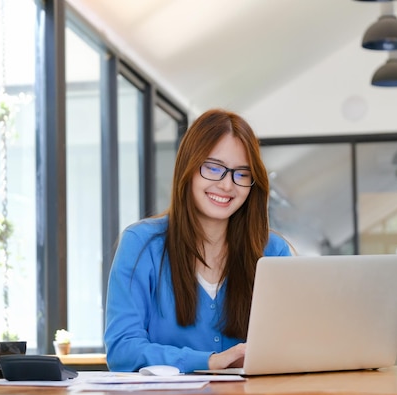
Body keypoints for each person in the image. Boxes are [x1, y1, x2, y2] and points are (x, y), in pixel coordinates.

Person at [104, 108, 292, 373]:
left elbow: (291, 346)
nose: (227, 185)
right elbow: (122, 351)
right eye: (214, 168)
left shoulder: (272, 252)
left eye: (241, 173)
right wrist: (209, 361)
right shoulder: (141, 244)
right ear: (188, 169)